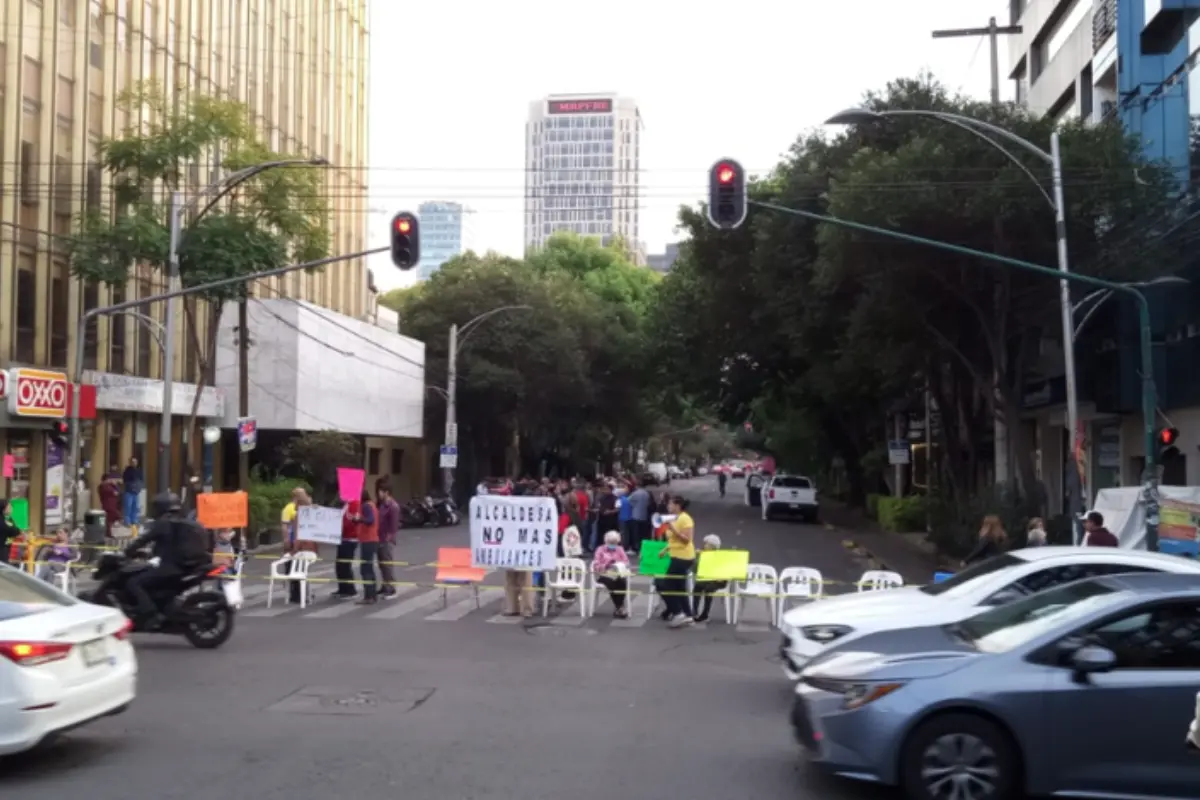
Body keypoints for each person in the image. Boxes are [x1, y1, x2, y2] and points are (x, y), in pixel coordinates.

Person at [123, 492, 212, 627]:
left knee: (134, 582)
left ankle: (150, 613)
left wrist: (128, 551)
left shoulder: (162, 523)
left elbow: (143, 540)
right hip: (186, 567)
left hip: (170, 567)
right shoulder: (184, 522)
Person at [655, 495, 696, 628]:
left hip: (684, 557)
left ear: (677, 505)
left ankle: (678, 612)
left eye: (670, 504)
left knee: (665, 584)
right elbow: (673, 540)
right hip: (675, 554)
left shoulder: (685, 519)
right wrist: (665, 549)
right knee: (679, 587)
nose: (668, 506)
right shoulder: (673, 518)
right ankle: (688, 615)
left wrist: (674, 529)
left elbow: (686, 540)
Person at [592, 530, 631, 618]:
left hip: (617, 573)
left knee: (622, 582)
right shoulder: (600, 550)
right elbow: (596, 565)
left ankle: (619, 608)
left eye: (615, 542)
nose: (613, 544)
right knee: (611, 582)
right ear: (606, 542)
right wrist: (606, 564)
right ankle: (619, 607)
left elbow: (627, 562)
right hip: (604, 574)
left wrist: (619, 564)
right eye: (611, 542)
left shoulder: (620, 549)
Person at [351, 489, 380, 605]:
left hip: (368, 539)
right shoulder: (371, 504)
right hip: (371, 539)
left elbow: (370, 520)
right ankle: (372, 594)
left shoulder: (366, 506)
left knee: (366, 568)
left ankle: (369, 596)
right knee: (368, 567)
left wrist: (359, 519)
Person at [690, 534, 727, 623]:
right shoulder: (702, 555)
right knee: (698, 586)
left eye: (708, 544)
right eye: (705, 544)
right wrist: (697, 558)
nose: (705, 546)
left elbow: (724, 570)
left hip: (718, 580)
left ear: (713, 547)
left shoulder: (720, 556)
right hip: (706, 579)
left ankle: (705, 614)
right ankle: (694, 611)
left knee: (708, 589)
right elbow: (695, 570)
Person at [376, 483, 401, 599]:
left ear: (386, 492)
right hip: (379, 538)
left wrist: (388, 539)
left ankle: (391, 588)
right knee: (382, 564)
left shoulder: (393, 506)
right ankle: (385, 585)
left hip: (387, 539)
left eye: (380, 491)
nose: (378, 494)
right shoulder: (382, 505)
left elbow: (394, 526)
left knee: (387, 564)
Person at [122, 458, 143, 526]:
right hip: (129, 491)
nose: (134, 463)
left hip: (136, 492)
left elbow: (141, 480)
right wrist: (132, 485)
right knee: (128, 507)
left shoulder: (139, 470)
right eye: (132, 462)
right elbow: (125, 480)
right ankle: (127, 521)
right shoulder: (127, 470)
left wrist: (139, 487)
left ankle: (134, 520)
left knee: (135, 507)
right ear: (130, 462)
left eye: (135, 462)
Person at [0, 500, 18, 566]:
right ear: (3, 509)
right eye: (9, 507)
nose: (11, 508)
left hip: (6, 549)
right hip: (2, 550)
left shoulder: (8, 519)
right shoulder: (4, 521)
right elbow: (14, 531)